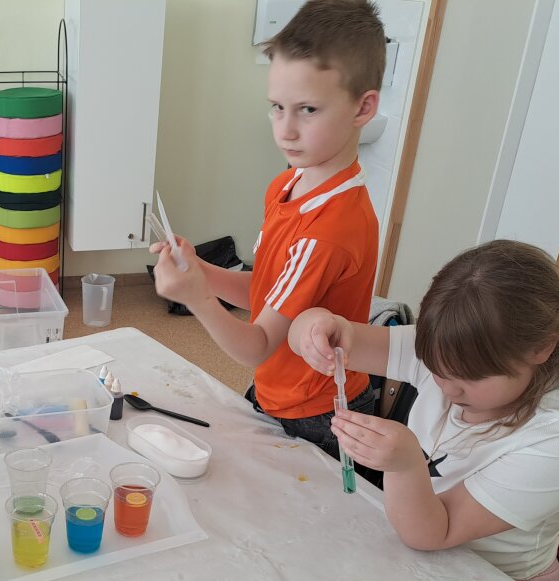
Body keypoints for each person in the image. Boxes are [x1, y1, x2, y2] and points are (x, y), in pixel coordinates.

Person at [288, 240, 559, 581]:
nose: (446, 388)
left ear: (543, 348)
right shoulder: (451, 348)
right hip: (419, 548)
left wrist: (405, 464)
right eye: (436, 370)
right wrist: (315, 327)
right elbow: (328, 338)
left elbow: (432, 533)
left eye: (468, 378)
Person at [152, 0, 385, 458]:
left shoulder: (329, 230)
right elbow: (266, 292)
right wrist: (200, 270)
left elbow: (256, 345)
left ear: (363, 107)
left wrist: (198, 298)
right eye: (277, 107)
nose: (286, 130)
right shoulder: (287, 184)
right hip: (276, 391)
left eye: (308, 109)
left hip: (318, 413)